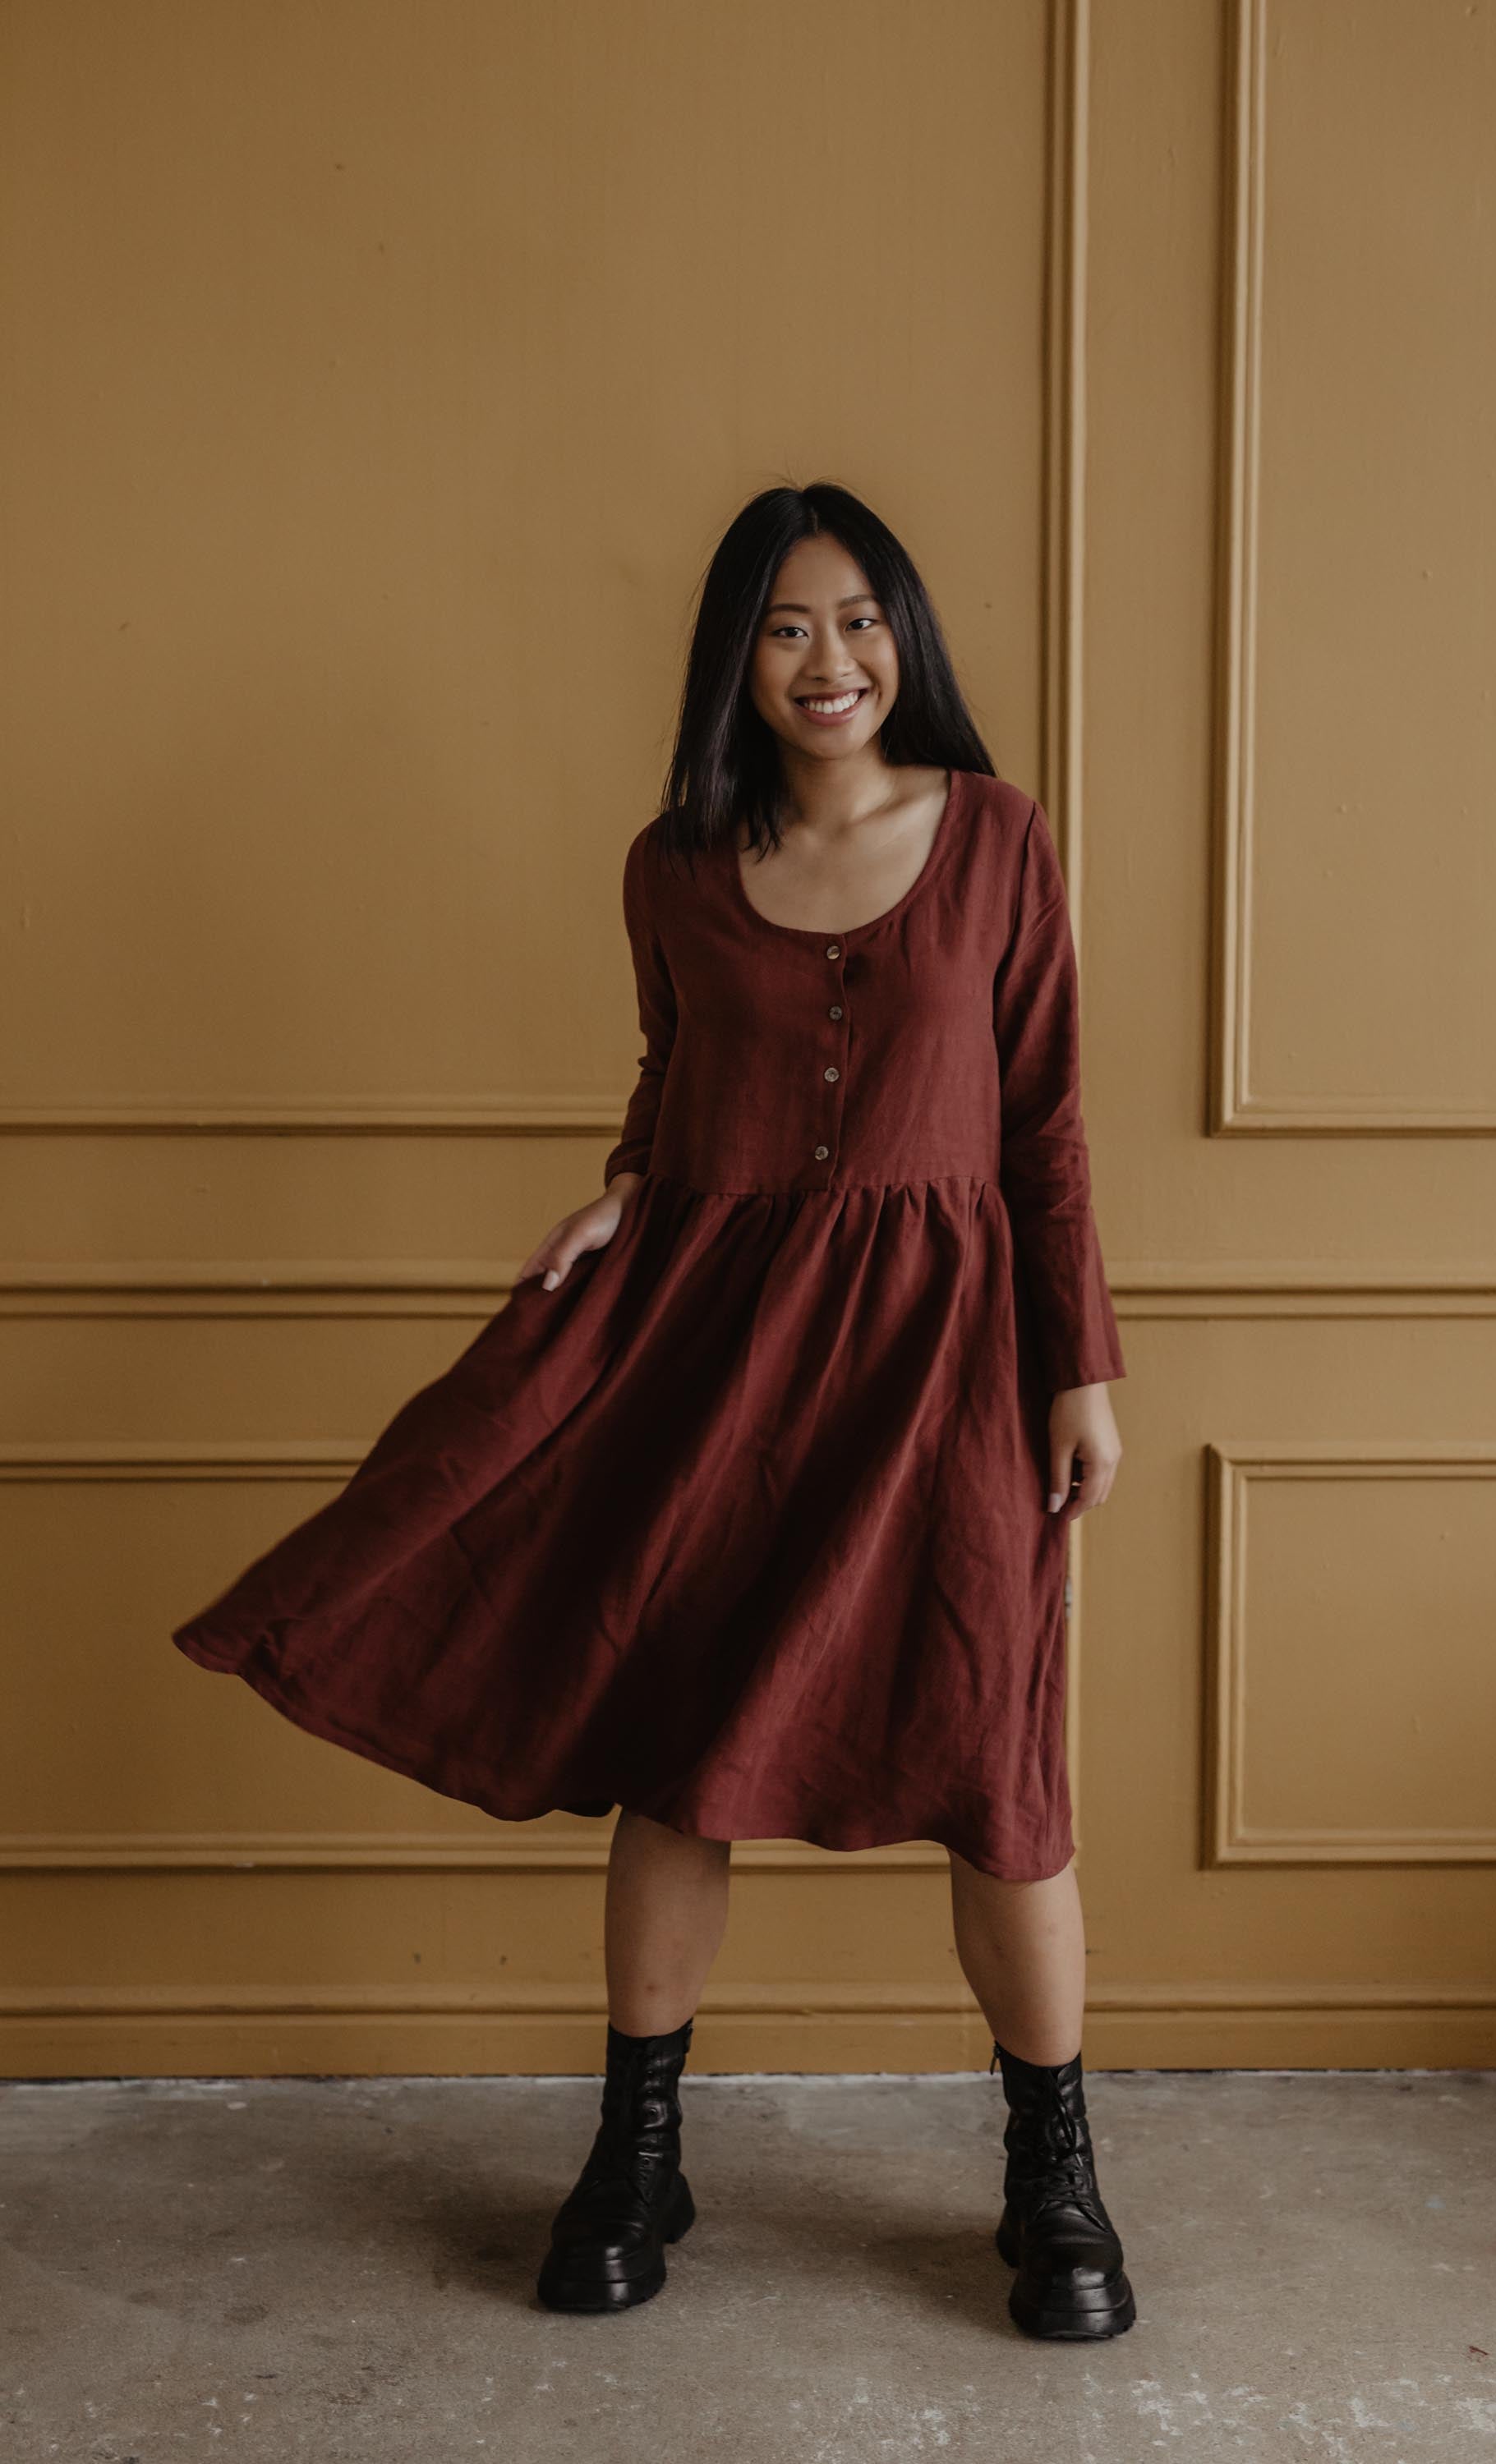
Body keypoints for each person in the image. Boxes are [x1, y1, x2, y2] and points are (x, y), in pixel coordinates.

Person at [172, 480, 1134, 2342]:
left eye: (858, 621)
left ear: (905, 639)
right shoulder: (676, 863)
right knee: (681, 1751)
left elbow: (1046, 1125)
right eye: (785, 627)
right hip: (715, 1356)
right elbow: (677, 1073)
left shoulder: (997, 839)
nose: (828, 660)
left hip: (946, 1367)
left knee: (1000, 1780)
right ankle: (636, 2149)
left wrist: (1079, 1366)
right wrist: (626, 1183)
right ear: (735, 660)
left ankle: (1053, 2172)